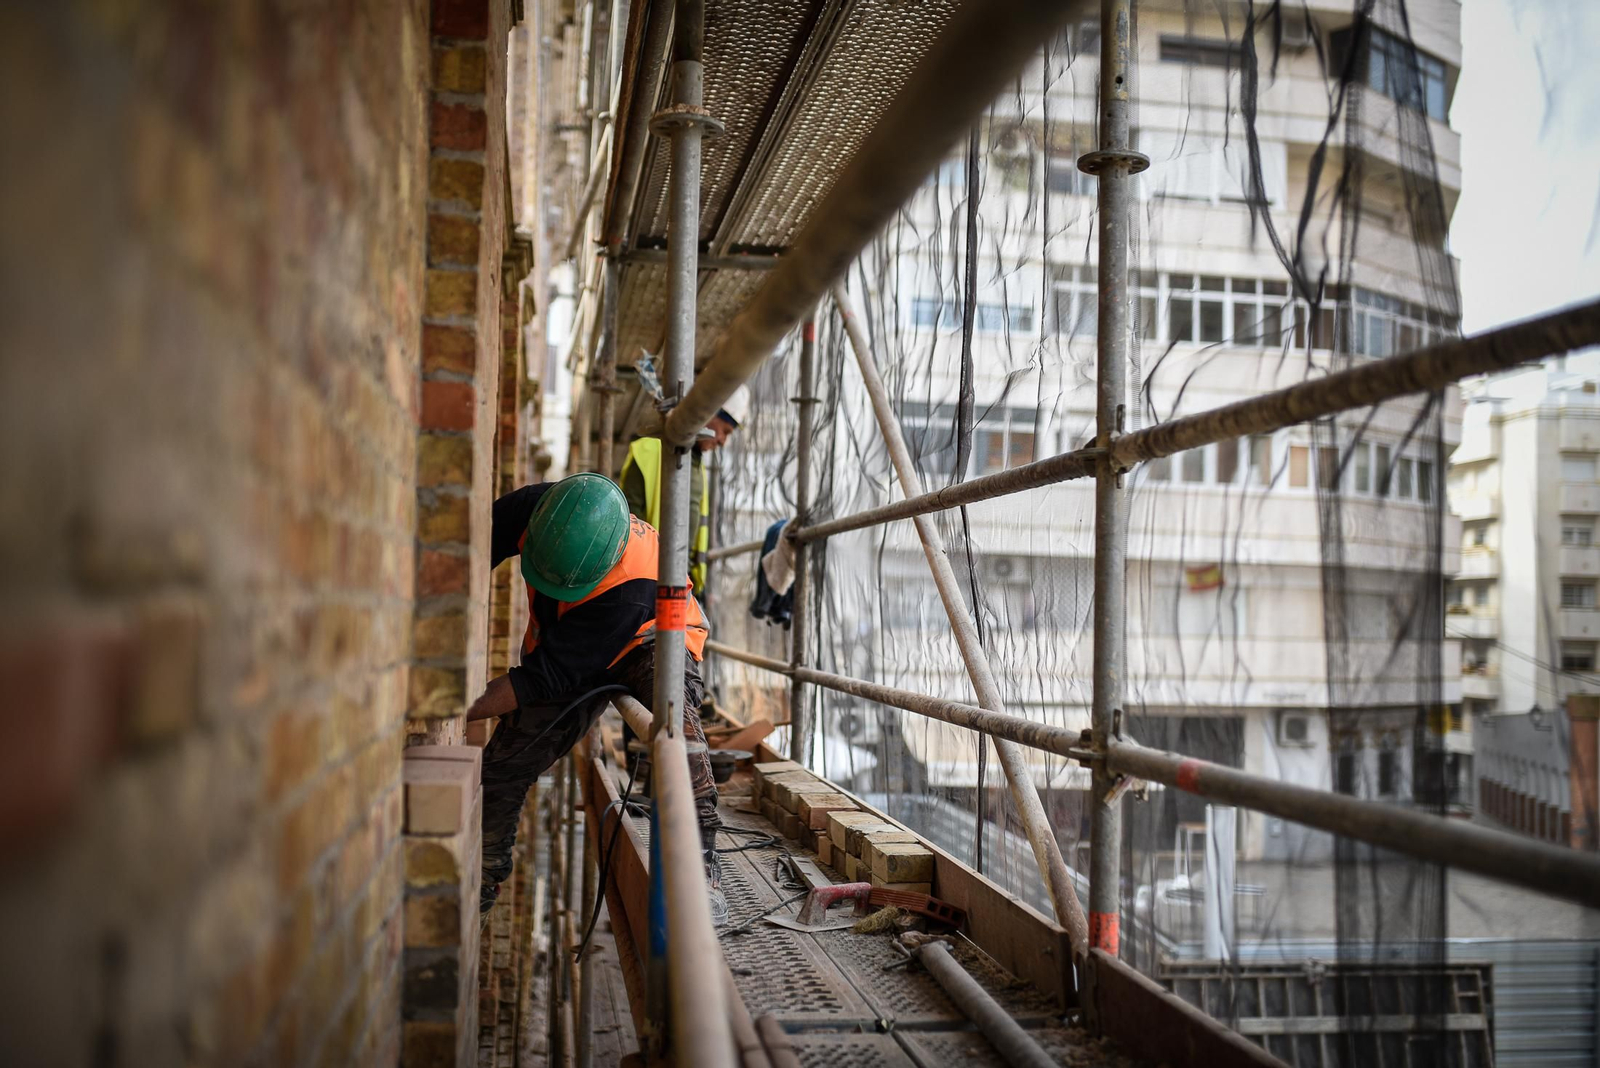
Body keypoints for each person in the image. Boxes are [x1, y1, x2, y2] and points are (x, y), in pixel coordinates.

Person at [465, 473, 728, 924]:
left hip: (654, 637)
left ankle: (701, 871)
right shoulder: (542, 511)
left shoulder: (629, 591)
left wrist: (455, 704)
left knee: (675, 733)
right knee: (506, 763)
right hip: (574, 636)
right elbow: (464, 560)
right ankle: (482, 879)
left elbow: (542, 679)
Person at [619, 384, 750, 595]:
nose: (723, 441)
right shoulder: (649, 451)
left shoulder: (697, 465)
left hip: (685, 584)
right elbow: (631, 524)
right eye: (724, 431)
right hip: (649, 582)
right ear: (708, 413)